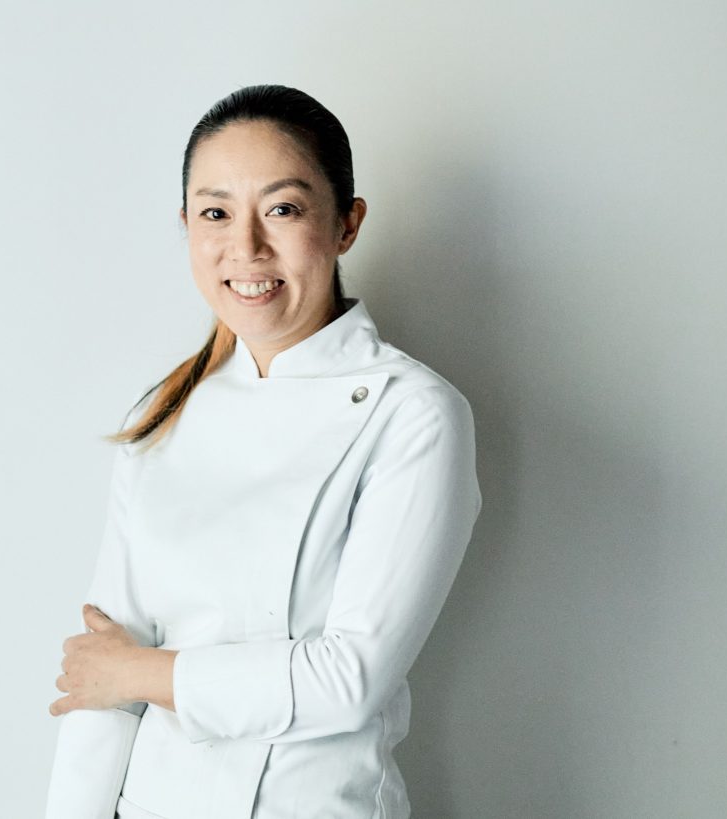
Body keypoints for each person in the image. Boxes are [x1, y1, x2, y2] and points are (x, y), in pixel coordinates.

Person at [44, 84, 482, 819]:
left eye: (282, 209)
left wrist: (139, 673)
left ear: (346, 224)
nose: (246, 247)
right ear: (186, 225)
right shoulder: (161, 414)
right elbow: (99, 683)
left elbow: (348, 680)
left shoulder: (414, 414)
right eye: (215, 213)